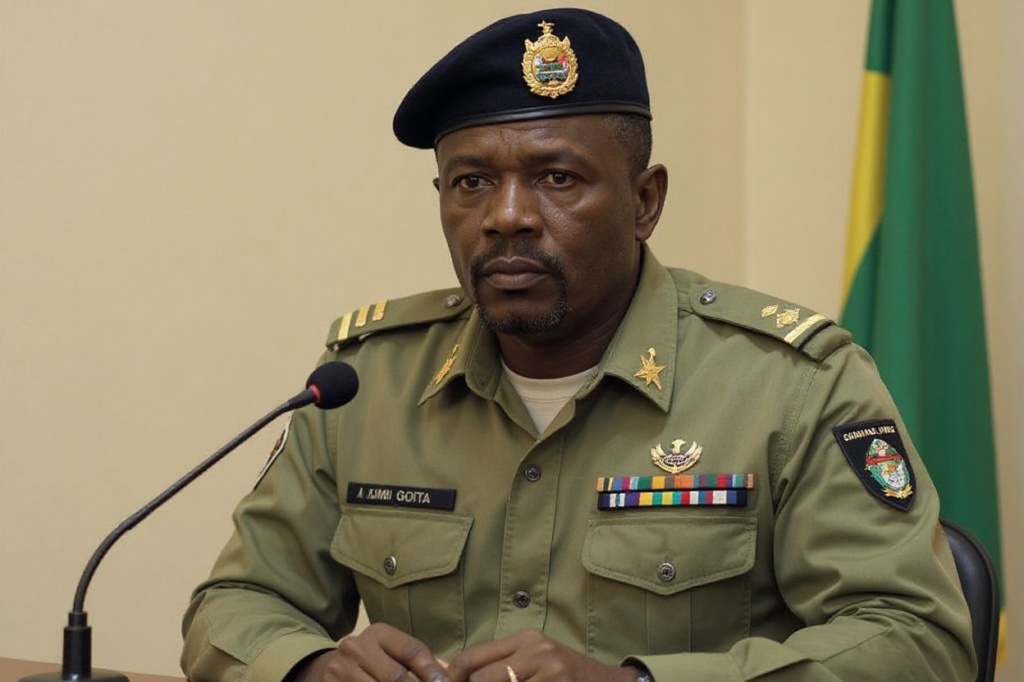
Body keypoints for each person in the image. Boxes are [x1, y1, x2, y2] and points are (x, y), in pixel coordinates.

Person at [181, 8, 975, 682]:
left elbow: (915, 636)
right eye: (471, 182)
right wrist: (308, 667)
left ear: (644, 201)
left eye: (556, 178)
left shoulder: (792, 383)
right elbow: (234, 604)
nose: (506, 216)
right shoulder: (365, 382)